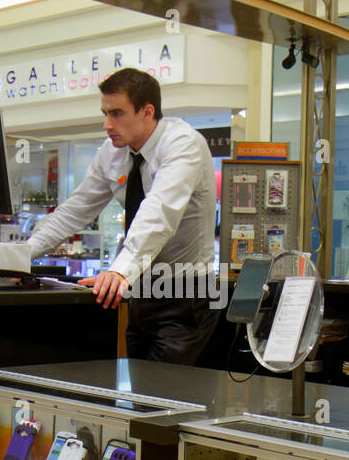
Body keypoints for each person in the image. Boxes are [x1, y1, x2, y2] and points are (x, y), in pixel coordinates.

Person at [25, 68, 217, 364]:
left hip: (187, 295)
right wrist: (17, 256)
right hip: (141, 292)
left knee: (164, 397)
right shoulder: (112, 152)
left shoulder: (183, 144)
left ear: (147, 111)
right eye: (105, 113)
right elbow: (74, 212)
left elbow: (159, 212)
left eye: (117, 113)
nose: (107, 124)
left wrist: (119, 270)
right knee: (141, 395)